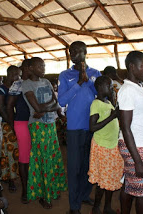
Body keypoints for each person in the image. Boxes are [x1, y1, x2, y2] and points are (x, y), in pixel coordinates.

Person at [58, 41, 101, 214]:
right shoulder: (64, 75)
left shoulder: (95, 73)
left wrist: (87, 80)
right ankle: (74, 206)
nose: (73, 54)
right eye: (70, 52)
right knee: (74, 167)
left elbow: (100, 95)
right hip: (74, 128)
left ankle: (84, 195)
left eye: (76, 51)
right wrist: (78, 83)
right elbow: (62, 100)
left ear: (85, 52)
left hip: (92, 126)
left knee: (87, 166)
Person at [118, 51, 143, 214]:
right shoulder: (127, 90)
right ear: (132, 67)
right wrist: (138, 160)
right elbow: (125, 127)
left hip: (139, 144)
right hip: (134, 145)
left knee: (130, 184)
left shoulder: (138, 87)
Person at [22, 57, 67, 209]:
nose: (43, 68)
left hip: (50, 124)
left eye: (44, 65)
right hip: (37, 126)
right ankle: (43, 195)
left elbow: (56, 102)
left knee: (53, 157)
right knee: (43, 160)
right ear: (31, 67)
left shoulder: (47, 82)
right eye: (40, 65)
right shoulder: (27, 84)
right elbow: (38, 108)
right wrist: (46, 107)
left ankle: (53, 188)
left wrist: (44, 108)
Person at [88, 76, 123, 214]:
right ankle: (96, 207)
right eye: (109, 86)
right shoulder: (96, 104)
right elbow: (92, 127)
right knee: (102, 182)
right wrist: (112, 117)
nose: (111, 88)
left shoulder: (108, 102)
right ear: (100, 87)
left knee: (111, 178)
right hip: (102, 147)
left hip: (112, 146)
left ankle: (107, 207)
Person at [6, 61, 31, 204]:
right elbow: (9, 107)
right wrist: (12, 125)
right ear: (26, 68)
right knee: (23, 158)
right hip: (22, 123)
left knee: (34, 156)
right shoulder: (18, 84)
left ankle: (34, 186)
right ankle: (25, 190)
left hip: (36, 124)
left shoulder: (36, 82)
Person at [0, 65, 21, 193]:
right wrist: (12, 126)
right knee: (9, 153)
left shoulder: (13, 88)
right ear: (11, 74)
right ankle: (11, 179)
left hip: (14, 123)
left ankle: (11, 175)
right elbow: (2, 110)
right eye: (18, 75)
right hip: (7, 125)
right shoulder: (1, 91)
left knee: (15, 152)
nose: (19, 78)